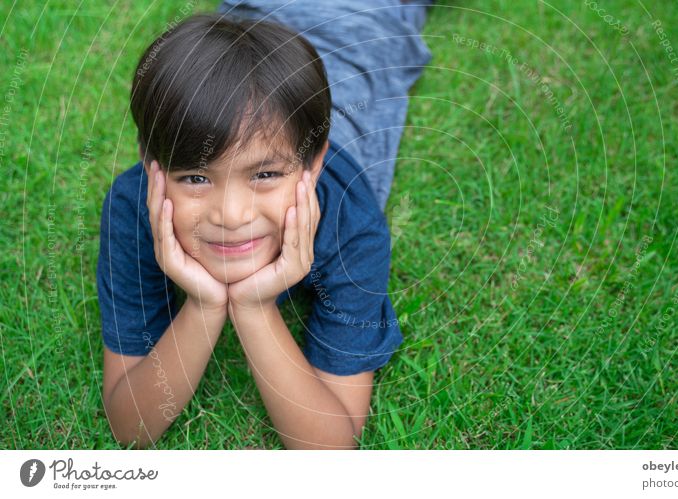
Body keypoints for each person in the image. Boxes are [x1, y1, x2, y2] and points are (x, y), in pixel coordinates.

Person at [97, 1, 433, 449]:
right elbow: (131, 428)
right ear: (151, 165)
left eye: (265, 175)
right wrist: (203, 306)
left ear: (313, 163)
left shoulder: (349, 223)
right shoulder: (134, 207)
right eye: (196, 178)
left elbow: (331, 449)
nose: (232, 216)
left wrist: (255, 309)